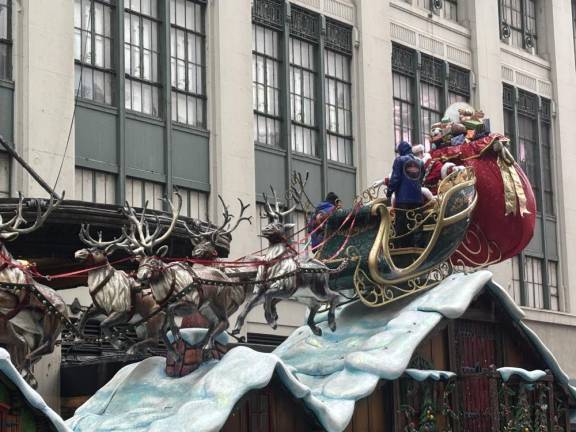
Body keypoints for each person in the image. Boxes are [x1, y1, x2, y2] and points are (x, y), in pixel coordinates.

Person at [387, 141, 425, 248]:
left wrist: (389, 192)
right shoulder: (420, 162)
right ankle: (418, 247)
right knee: (416, 224)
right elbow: (421, 178)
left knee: (402, 226)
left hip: (403, 200)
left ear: (401, 151)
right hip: (418, 199)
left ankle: (403, 250)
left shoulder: (399, 160)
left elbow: (395, 179)